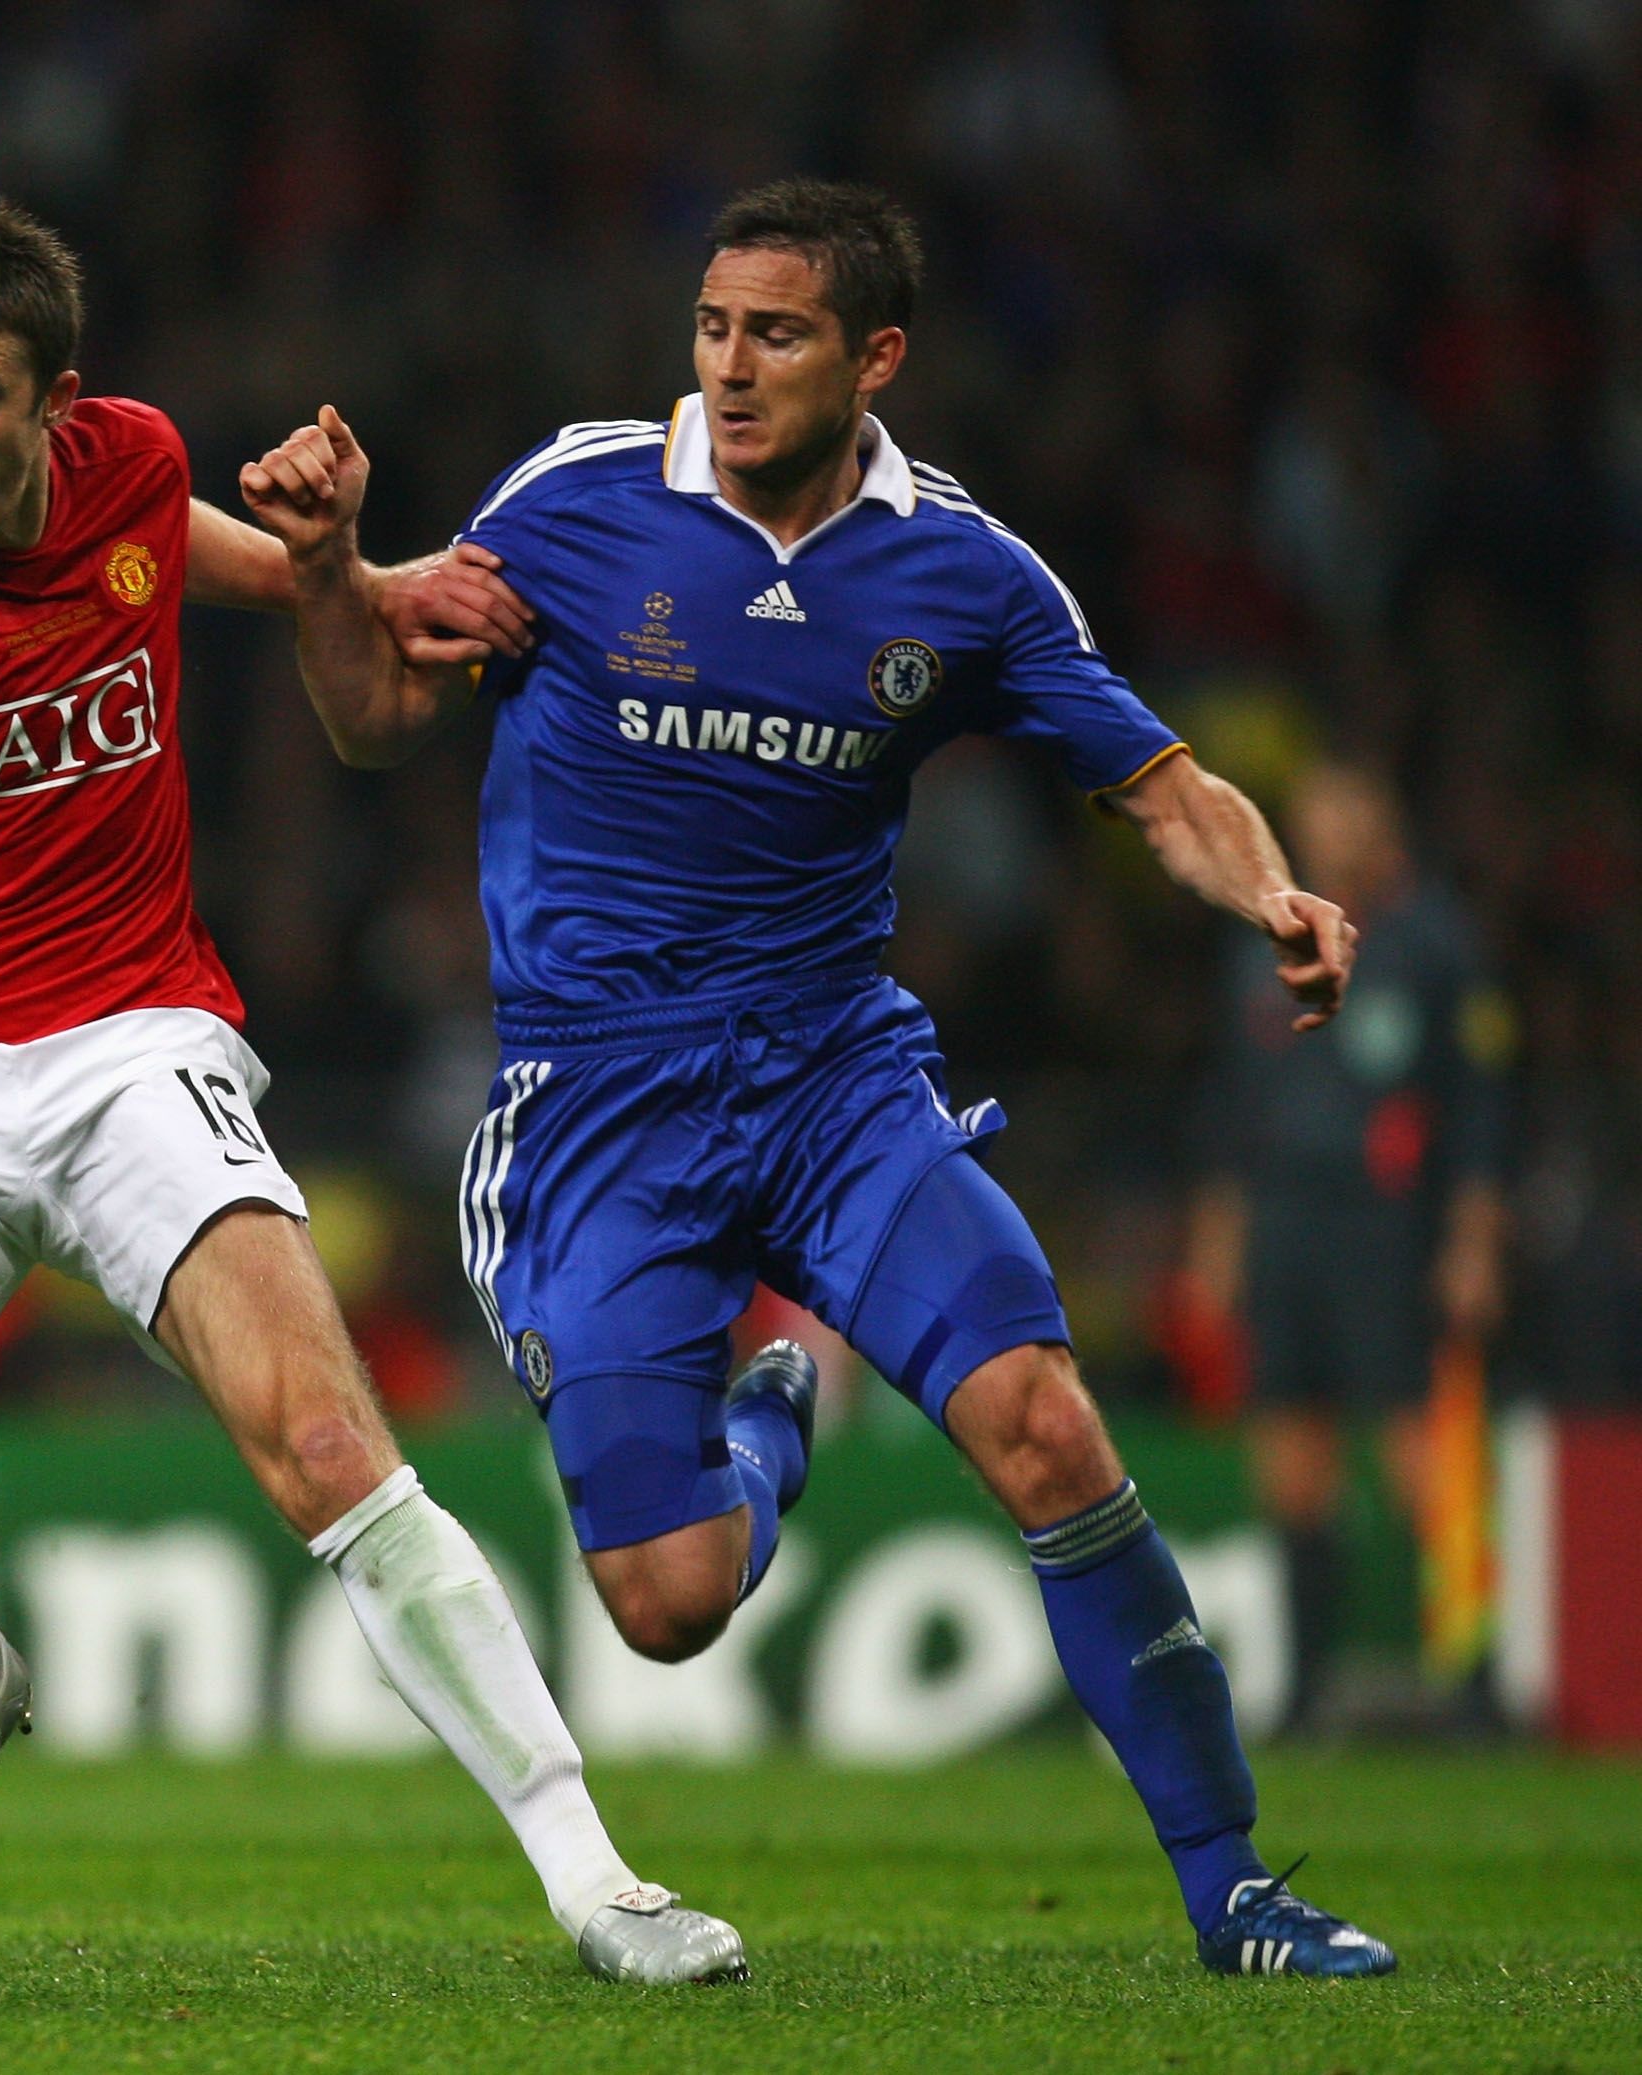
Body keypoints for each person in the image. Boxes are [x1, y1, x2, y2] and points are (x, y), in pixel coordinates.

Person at [244, 178, 1396, 1978]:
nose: (730, 365)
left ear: (876, 357)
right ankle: (767, 1433)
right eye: (713, 327)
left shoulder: (964, 572)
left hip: (836, 1075)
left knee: (1048, 1423)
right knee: (670, 1602)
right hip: (601, 1104)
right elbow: (374, 717)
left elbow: (1162, 784)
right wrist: (328, 572)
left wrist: (1272, 893)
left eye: (775, 334)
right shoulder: (577, 500)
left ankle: (1235, 1888)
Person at [0, 203, 745, 1986]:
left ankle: (599, 1881)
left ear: (59, 405)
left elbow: (159, 544)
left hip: (131, 1040)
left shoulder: (132, 465)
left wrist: (357, 576)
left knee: (330, 1447)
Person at [1185, 760, 1512, 1727]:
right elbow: (1232, 1106)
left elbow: (1481, 1107)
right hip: (1284, 1219)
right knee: (1291, 1451)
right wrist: (1218, 1238)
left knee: (1420, 1450)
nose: (1330, 830)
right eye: (1316, 812)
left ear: (1383, 819)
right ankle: (1304, 1689)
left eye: (1347, 810)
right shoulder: (1260, 941)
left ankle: (1476, 1685)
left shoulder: (1435, 941)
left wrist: (1474, 1241)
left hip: (1389, 1223)